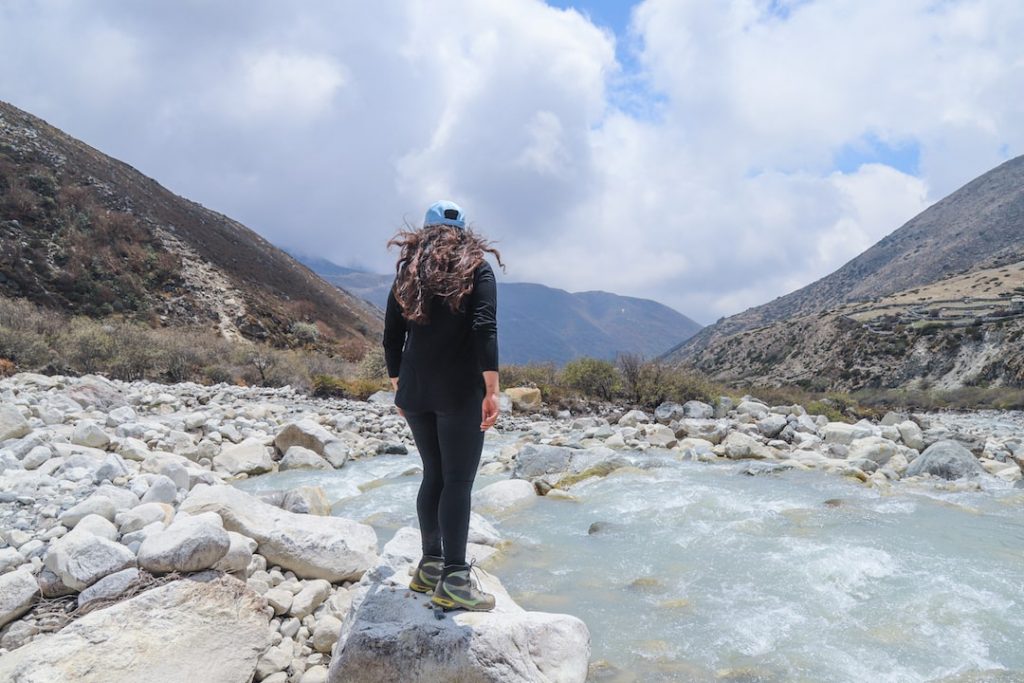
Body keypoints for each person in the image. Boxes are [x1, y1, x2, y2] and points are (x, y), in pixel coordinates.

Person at [383, 199, 505, 612]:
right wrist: (492, 387)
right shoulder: (478, 268)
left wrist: (400, 381)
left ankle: (430, 566)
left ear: (425, 230)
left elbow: (390, 334)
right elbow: (483, 327)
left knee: (433, 473)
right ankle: (455, 579)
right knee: (457, 481)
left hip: (416, 390)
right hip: (459, 390)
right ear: (465, 232)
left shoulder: (409, 273)